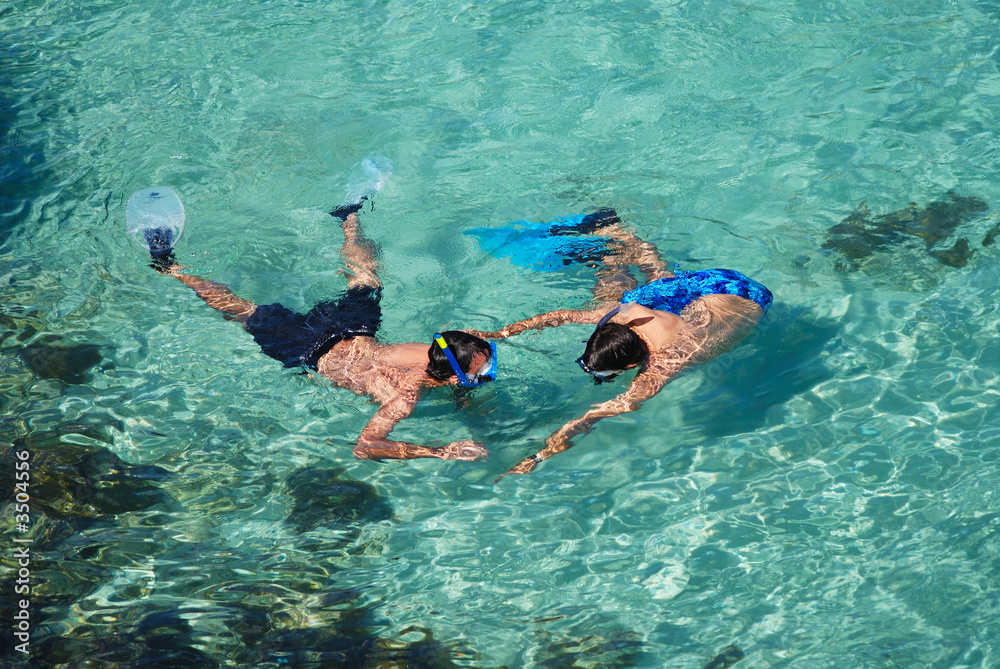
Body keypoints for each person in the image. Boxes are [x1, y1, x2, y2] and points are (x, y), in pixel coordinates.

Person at [148, 202, 495, 462]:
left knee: (365, 278)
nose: (487, 371)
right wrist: (440, 452)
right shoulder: (404, 400)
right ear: (453, 377)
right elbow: (366, 447)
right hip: (307, 348)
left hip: (352, 329)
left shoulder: (434, 349)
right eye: (481, 371)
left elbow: (462, 346)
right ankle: (171, 269)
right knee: (242, 311)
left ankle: (349, 216)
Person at [468, 209, 772, 481]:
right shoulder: (629, 315)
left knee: (633, 295)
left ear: (630, 365)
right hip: (719, 284)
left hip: (750, 300)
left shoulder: (664, 365)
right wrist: (499, 334)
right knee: (627, 298)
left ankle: (615, 249)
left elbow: (593, 416)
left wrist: (537, 456)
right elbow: (564, 316)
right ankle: (616, 236)